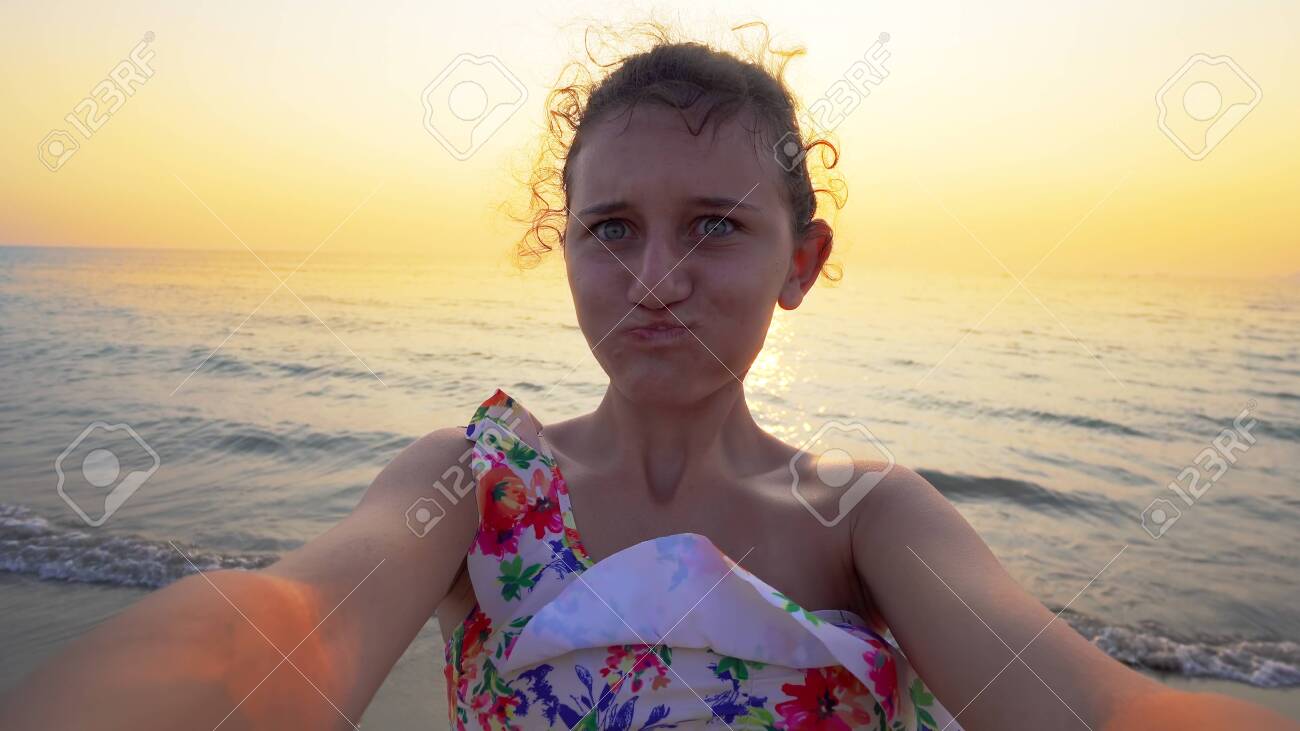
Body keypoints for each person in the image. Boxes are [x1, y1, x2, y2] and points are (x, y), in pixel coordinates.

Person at [2, 23, 1294, 731]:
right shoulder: (476, 483)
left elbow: (1079, 700)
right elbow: (285, 625)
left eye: (715, 225)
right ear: (563, 249)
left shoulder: (868, 518)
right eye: (611, 228)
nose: (655, 278)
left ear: (800, 265)